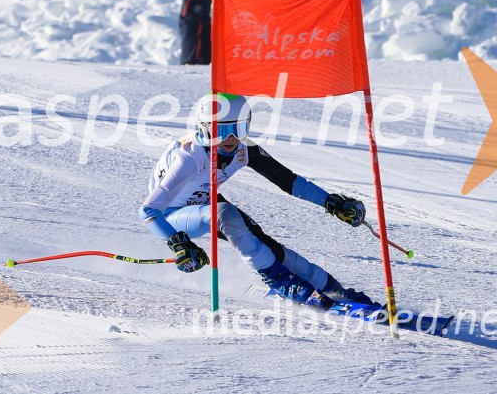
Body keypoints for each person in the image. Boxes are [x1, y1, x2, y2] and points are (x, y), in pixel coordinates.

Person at [139, 93, 376, 308]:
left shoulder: (244, 149)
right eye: (222, 130)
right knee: (226, 214)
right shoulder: (189, 158)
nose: (231, 139)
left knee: (262, 242)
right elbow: (149, 210)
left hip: (204, 201)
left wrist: (330, 202)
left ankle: (332, 289)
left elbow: (288, 181)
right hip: (172, 216)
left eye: (239, 129)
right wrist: (177, 243)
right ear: (205, 128)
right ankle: (278, 280)